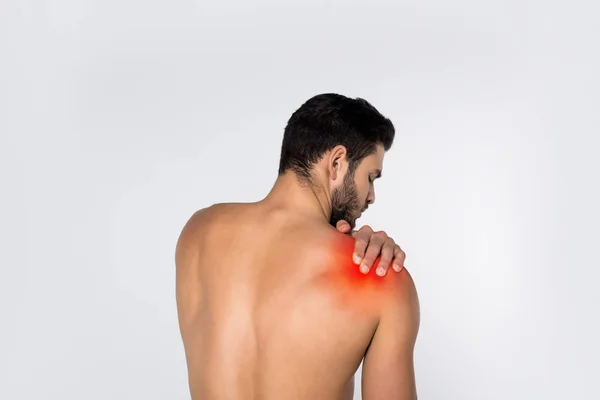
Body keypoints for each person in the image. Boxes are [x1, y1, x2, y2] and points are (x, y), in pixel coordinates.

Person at [175, 93, 420, 399]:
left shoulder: (198, 233)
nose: (370, 196)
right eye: (370, 178)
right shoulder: (381, 277)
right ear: (337, 162)